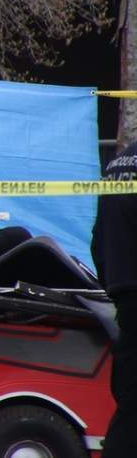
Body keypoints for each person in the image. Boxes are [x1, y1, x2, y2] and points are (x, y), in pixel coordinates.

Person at [92, 141, 137, 457]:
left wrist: (113, 281)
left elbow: (99, 239)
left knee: (131, 402)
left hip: (125, 296)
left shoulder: (118, 162)